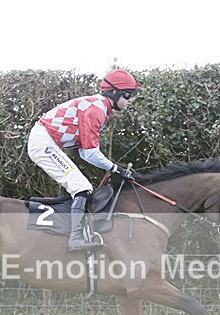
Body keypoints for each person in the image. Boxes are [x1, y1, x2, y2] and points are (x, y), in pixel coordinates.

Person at [27, 68, 139, 252]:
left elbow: (85, 153)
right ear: (114, 92)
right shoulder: (97, 109)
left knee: (82, 187)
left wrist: (113, 168)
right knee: (82, 188)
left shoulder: (101, 107)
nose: (130, 100)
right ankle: (75, 239)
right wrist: (116, 169)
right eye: (127, 95)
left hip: (46, 140)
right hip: (43, 142)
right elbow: (90, 153)